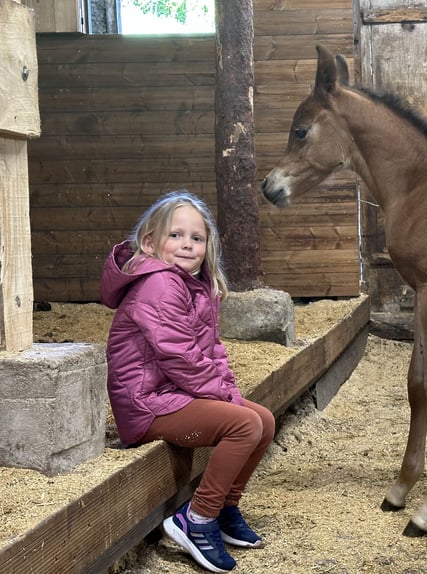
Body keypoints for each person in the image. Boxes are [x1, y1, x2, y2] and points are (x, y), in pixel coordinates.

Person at [100, 190, 276, 573]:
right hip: (146, 404)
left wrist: (229, 391)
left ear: (207, 245)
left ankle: (226, 508)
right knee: (244, 424)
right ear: (150, 243)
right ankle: (195, 519)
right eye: (175, 235)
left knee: (263, 420)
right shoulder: (159, 284)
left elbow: (211, 351)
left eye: (196, 238)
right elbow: (179, 357)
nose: (187, 245)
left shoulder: (196, 286)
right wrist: (224, 397)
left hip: (174, 395)